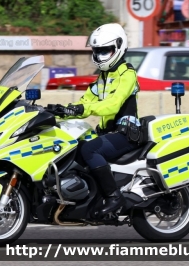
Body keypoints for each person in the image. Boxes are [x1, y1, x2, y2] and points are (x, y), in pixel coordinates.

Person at [55, 23, 141, 218]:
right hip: (107, 132)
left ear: (118, 47)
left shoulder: (127, 74)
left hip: (125, 134)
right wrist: (60, 111)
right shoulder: (102, 77)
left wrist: (83, 108)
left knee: (89, 149)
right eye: (97, 51)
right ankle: (87, 200)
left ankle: (114, 197)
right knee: (72, 148)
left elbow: (113, 104)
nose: (100, 55)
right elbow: (86, 102)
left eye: (105, 51)